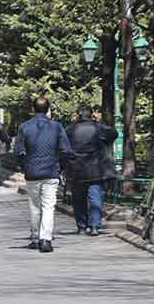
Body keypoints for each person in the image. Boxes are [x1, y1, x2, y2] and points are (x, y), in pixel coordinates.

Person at [14, 97, 74, 253]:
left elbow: (18, 151)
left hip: (32, 172)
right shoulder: (56, 127)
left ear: (33, 109)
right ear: (48, 110)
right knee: (48, 206)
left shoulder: (24, 127)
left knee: (35, 206)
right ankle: (46, 239)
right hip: (51, 171)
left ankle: (34, 238)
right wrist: (60, 166)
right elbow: (66, 150)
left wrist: (24, 165)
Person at [65, 107, 118, 236]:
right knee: (95, 198)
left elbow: (63, 147)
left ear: (78, 116)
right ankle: (94, 226)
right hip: (95, 169)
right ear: (92, 115)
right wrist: (99, 122)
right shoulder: (98, 128)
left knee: (78, 199)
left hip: (76, 169)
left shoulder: (70, 129)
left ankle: (82, 226)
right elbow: (113, 134)